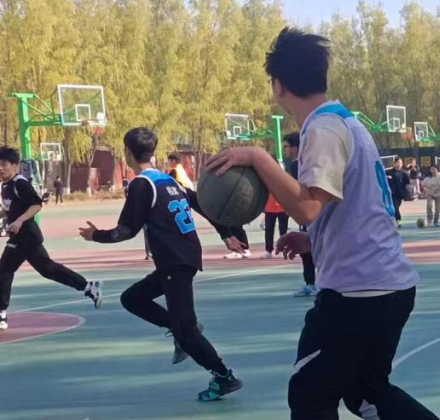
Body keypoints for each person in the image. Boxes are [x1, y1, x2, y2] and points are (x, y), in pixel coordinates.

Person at [207, 27, 440, 420]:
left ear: (277, 84)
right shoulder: (347, 122)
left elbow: (309, 204)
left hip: (358, 294)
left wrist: (260, 160)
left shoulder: (321, 130)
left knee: (308, 393)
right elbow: (343, 209)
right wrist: (311, 239)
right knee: (363, 393)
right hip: (389, 286)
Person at [78, 129, 240, 400]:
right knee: (132, 299)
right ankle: (178, 328)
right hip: (181, 258)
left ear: (127, 152)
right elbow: (203, 203)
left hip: (175, 261)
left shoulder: (142, 185)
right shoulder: (168, 180)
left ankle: (224, 376)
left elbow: (126, 230)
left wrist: (96, 236)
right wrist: (226, 233)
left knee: (186, 331)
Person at [0, 147, 102, 332]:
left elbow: (36, 205)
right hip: (23, 238)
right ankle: (88, 286)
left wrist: (20, 220)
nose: (0, 168)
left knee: (5, 270)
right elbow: (10, 209)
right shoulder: (5, 186)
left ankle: (1, 314)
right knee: (47, 269)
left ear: (15, 166)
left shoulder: (20, 183)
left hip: (26, 236)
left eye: (4, 164)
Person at [283, 133, 318, 297]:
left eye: (286, 147)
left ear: (295, 148)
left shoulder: (297, 166)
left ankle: (311, 283)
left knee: (307, 250)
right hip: (315, 211)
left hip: (310, 213)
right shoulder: (310, 163)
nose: (285, 150)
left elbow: (299, 191)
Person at [262, 189, 289, 259]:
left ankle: (283, 250)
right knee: (268, 230)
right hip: (269, 207)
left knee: (283, 230)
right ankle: (268, 250)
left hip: (283, 207)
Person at [387, 158, 409, 226]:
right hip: (392, 193)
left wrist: (407, 193)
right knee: (395, 206)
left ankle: (394, 218)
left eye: (399, 162)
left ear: (402, 164)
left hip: (400, 193)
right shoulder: (389, 172)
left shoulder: (404, 173)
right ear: (394, 164)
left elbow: (407, 184)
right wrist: (386, 177)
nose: (398, 164)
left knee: (397, 206)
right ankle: (398, 219)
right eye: (396, 163)